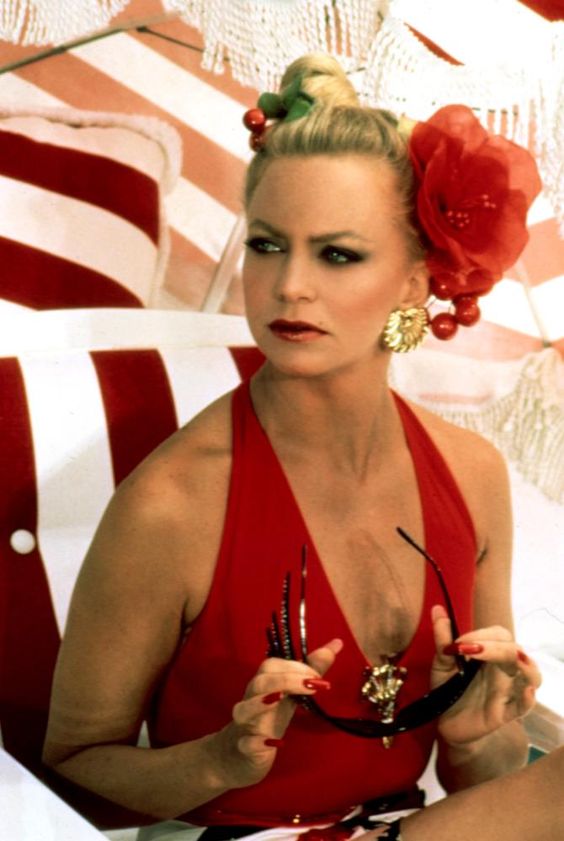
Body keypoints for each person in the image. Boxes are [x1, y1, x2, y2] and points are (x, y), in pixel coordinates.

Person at [43, 53, 561, 841]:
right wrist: (219, 760)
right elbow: (72, 768)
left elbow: (482, 779)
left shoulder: (472, 473)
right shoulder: (173, 503)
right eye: (266, 245)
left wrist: (471, 736)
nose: (289, 286)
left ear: (417, 280)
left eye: (337, 253)